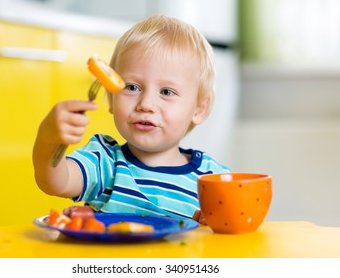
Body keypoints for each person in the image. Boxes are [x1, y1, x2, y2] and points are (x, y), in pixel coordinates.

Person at [32, 15, 230, 221]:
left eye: (167, 92)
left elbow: (230, 234)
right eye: (132, 87)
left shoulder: (211, 179)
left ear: (199, 109)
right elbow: (54, 182)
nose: (146, 104)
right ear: (111, 97)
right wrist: (49, 138)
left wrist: (216, 225)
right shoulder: (105, 162)